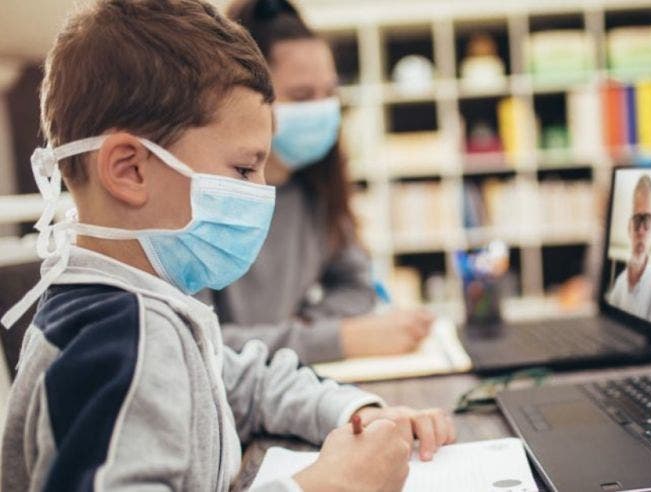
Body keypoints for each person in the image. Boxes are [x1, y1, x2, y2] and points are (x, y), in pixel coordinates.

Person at [0, 2, 454, 490]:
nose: (262, 192)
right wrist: (328, 485)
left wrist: (355, 409)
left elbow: (245, 381)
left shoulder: (150, 309)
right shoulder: (116, 342)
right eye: (243, 169)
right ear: (129, 170)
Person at [198, 0, 432, 364]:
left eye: (330, 93)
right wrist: (337, 339)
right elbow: (202, 346)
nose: (322, 110)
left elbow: (357, 288)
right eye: (302, 96)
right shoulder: (203, 201)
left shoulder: (318, 189)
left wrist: (306, 330)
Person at [606, 175, 651, 325]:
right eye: (637, 220)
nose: (641, 231)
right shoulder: (620, 283)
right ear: (629, 229)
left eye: (647, 220)